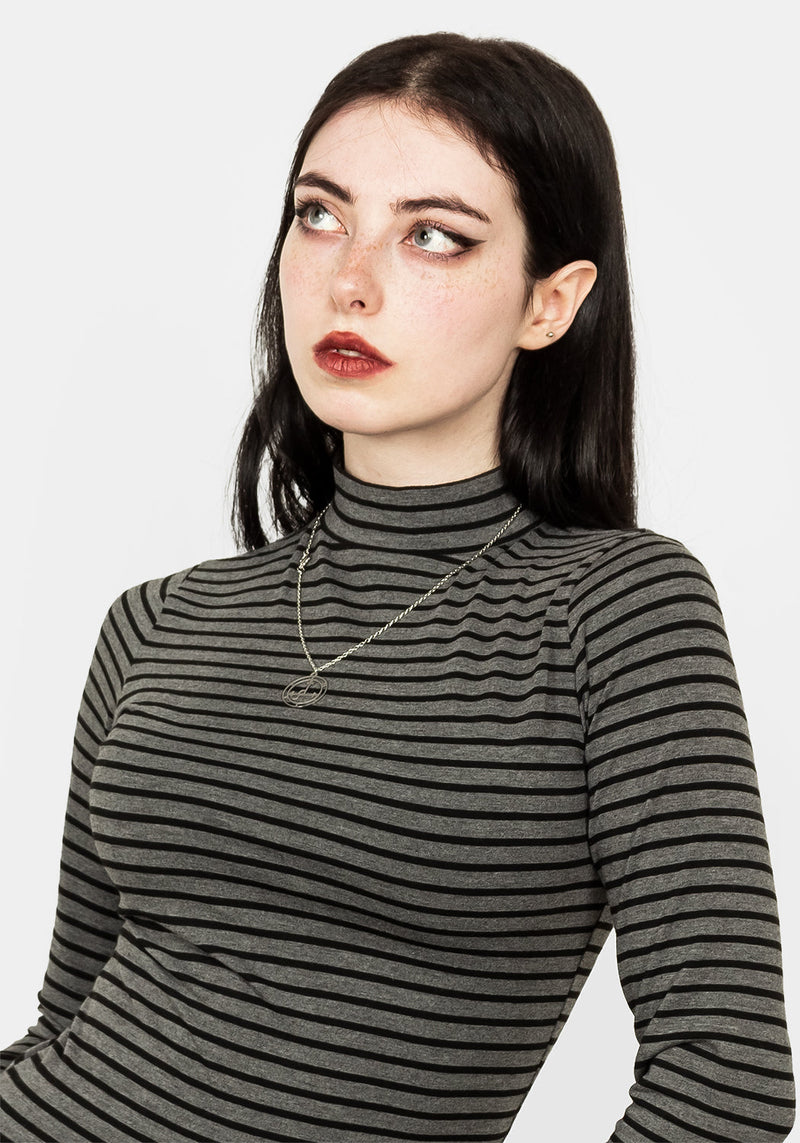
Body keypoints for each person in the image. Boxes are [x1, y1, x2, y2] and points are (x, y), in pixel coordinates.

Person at [0, 30, 794, 1143]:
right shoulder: (159, 621)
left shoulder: (617, 610)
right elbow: (63, 1019)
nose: (349, 281)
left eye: (432, 235)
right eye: (320, 215)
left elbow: (726, 1080)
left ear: (550, 302)